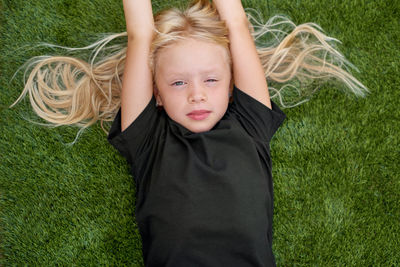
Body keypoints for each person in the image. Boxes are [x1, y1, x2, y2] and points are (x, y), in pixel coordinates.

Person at [12, 0, 368, 265]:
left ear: (232, 86)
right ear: (157, 94)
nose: (196, 93)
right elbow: (140, 33)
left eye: (210, 79)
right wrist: (148, 40)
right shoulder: (147, 138)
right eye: (178, 82)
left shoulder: (250, 124)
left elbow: (236, 22)